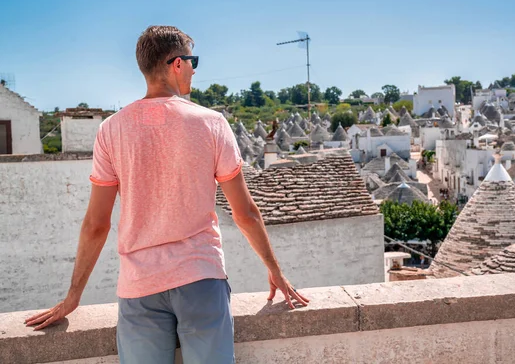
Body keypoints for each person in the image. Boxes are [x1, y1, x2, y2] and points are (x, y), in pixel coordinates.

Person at [24, 25, 308, 363]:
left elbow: (96, 224)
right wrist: (274, 269)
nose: (194, 69)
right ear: (177, 63)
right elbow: (244, 212)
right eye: (193, 61)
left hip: (139, 286)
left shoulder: (110, 131)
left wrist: (73, 296)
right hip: (201, 279)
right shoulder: (212, 124)